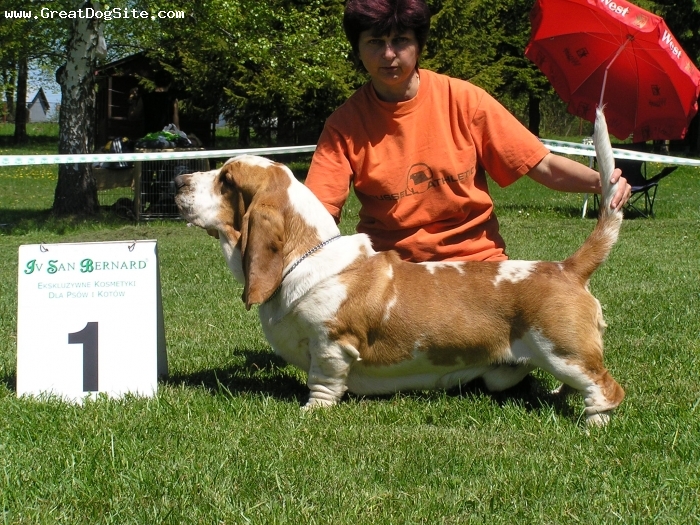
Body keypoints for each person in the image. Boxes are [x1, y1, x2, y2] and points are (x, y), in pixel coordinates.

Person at [305, 0, 631, 263]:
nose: (388, 54)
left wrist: (602, 183)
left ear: (419, 46)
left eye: (400, 40)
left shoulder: (464, 100)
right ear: (358, 49)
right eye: (375, 42)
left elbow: (542, 165)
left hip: (477, 264)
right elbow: (316, 214)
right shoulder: (343, 126)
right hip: (394, 277)